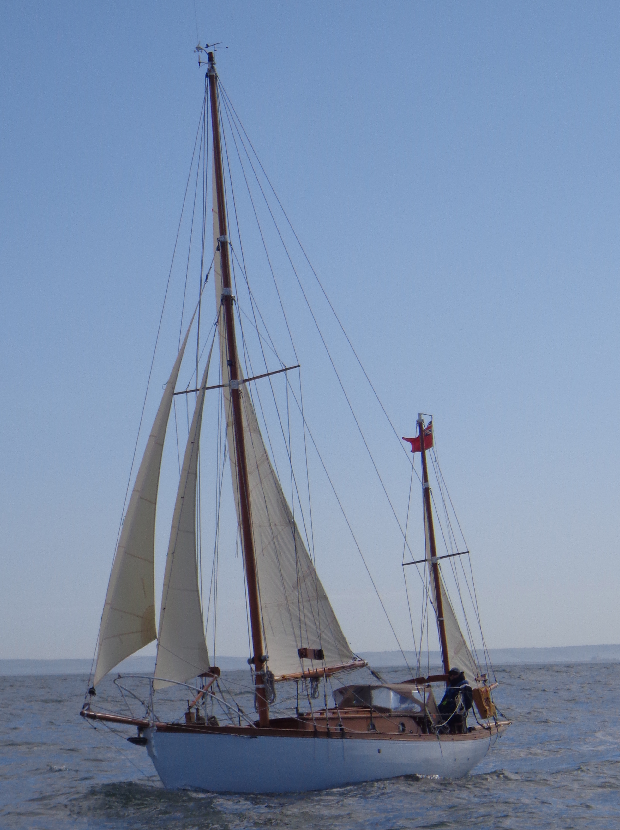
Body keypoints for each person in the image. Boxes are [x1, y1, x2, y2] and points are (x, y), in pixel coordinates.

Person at [437, 667, 473, 733]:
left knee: (448, 715)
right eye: (451, 674)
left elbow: (468, 704)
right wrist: (441, 706)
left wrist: (455, 703)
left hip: (458, 712)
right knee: (436, 713)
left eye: (455, 674)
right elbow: (445, 700)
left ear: (459, 675)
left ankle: (459, 731)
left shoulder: (465, 686)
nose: (452, 676)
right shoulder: (450, 686)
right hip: (449, 710)